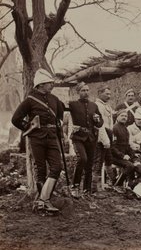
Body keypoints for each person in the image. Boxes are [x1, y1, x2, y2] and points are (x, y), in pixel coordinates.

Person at [12, 69, 65, 212]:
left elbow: (60, 115)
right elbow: (16, 119)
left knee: (57, 167)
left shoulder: (54, 99)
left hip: (52, 137)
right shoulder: (30, 100)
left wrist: (58, 126)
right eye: (49, 83)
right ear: (41, 84)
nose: (52, 85)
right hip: (37, 138)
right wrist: (29, 127)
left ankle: (43, 199)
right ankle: (44, 203)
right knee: (40, 169)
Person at [68, 82, 104, 198]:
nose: (86, 92)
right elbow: (60, 110)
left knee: (89, 164)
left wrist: (97, 119)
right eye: (83, 90)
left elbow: (100, 123)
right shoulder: (73, 104)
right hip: (78, 137)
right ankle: (75, 186)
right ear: (78, 92)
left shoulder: (94, 105)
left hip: (91, 138)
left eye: (87, 90)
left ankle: (87, 190)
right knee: (82, 159)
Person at [110, 109, 137, 194]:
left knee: (137, 163)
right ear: (117, 117)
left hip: (123, 155)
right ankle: (117, 185)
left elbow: (127, 145)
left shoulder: (125, 129)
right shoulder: (115, 128)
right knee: (129, 166)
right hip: (114, 156)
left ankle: (130, 185)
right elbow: (112, 147)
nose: (124, 117)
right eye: (122, 116)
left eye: (126, 116)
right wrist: (122, 156)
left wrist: (133, 155)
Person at [94, 85, 115, 189]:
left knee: (108, 159)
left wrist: (111, 136)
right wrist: (104, 139)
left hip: (109, 134)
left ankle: (112, 183)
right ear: (99, 93)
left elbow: (110, 122)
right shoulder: (97, 105)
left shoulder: (107, 106)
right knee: (99, 161)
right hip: (101, 136)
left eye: (110, 94)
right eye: (107, 94)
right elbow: (100, 125)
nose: (109, 96)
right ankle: (95, 187)